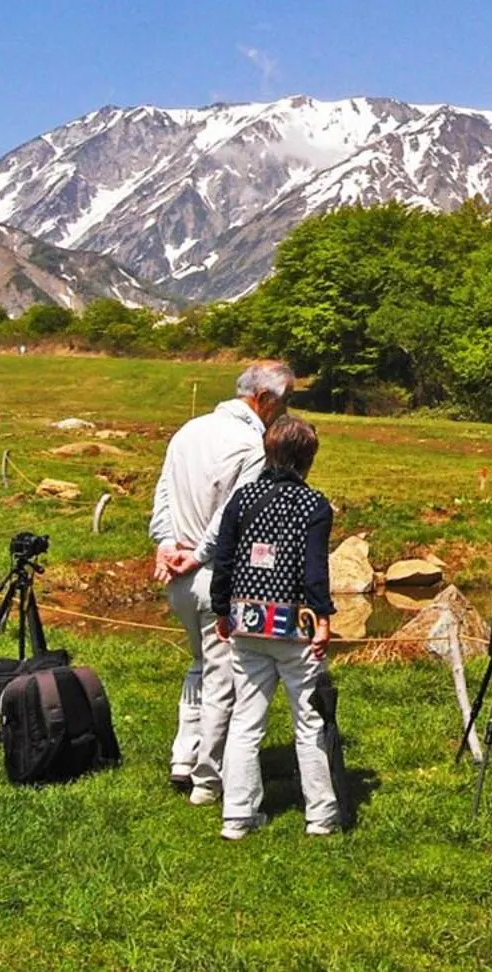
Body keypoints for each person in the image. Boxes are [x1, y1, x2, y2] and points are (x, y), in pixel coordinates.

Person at [148, 360, 294, 805]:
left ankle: (183, 756)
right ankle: (207, 778)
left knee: (198, 663)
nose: (284, 412)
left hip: (178, 576)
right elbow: (232, 515)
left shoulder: (188, 431)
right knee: (223, 679)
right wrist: (197, 555)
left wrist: (166, 543)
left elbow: (164, 495)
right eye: (284, 402)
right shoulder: (253, 444)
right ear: (263, 399)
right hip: (216, 575)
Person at [204, 415, 338, 841]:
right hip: (294, 626)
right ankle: (320, 815)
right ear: (307, 459)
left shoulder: (242, 500)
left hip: (246, 622)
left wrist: (223, 611)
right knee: (308, 720)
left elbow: (223, 562)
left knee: (246, 720)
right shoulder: (314, 506)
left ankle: (237, 816)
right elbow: (315, 569)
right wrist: (323, 618)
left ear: (269, 450)